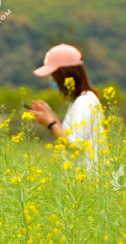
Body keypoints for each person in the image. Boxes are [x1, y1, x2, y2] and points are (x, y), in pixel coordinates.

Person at [29, 44, 105, 175]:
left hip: (88, 180)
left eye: (53, 75)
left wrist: (51, 123)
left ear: (64, 75)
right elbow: (69, 136)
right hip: (80, 180)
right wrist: (51, 115)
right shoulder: (78, 101)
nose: (52, 80)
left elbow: (74, 146)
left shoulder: (84, 103)